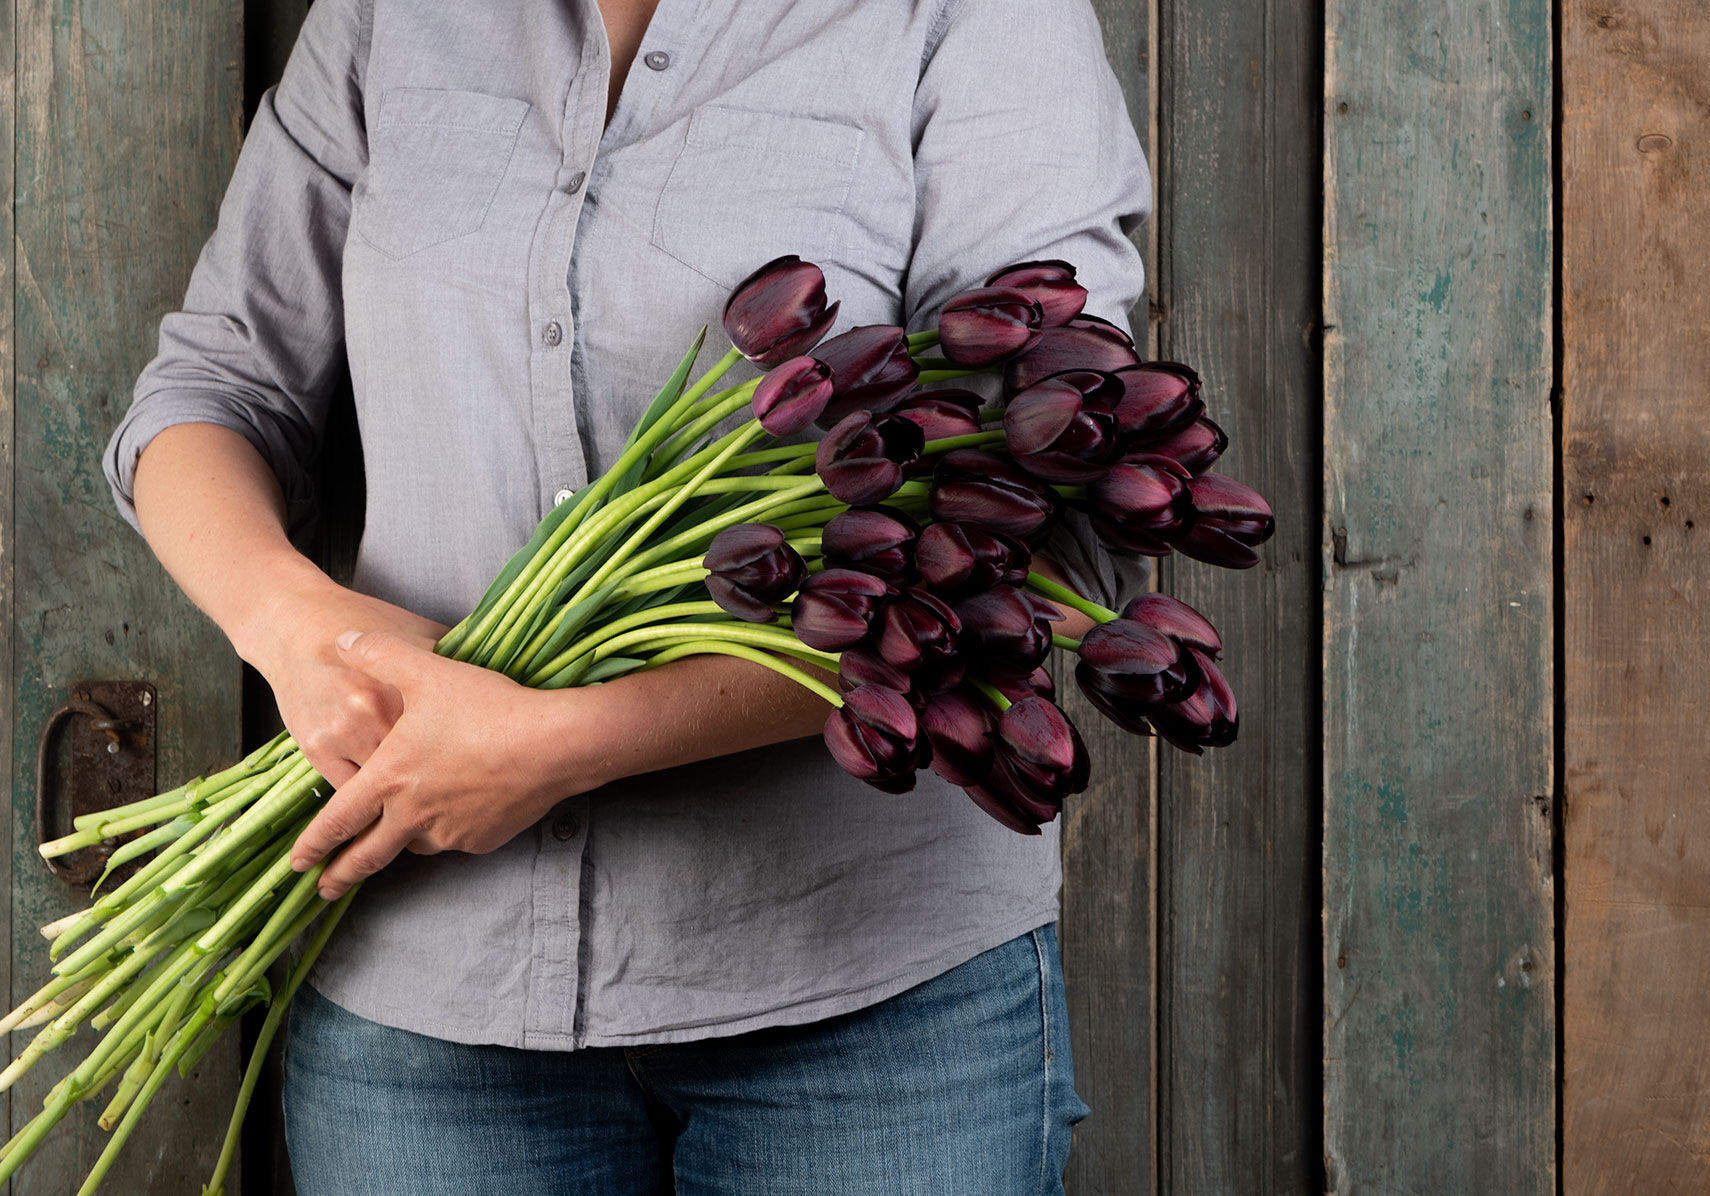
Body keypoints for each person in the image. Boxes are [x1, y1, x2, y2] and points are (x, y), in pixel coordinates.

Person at [103, 0, 1152, 1192]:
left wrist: (563, 742)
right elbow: (216, 384)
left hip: (864, 998)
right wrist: (297, 625)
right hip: (426, 991)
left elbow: (1051, 505)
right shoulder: (391, 14)